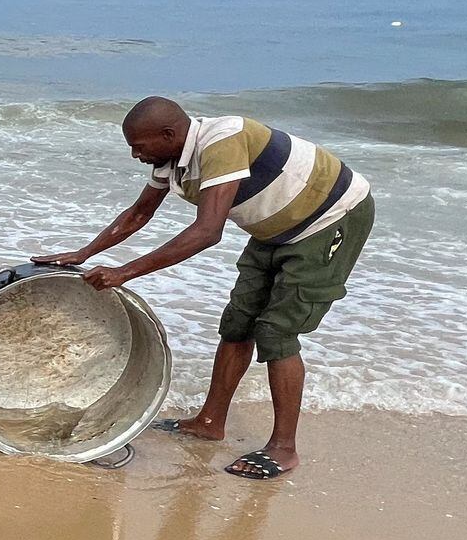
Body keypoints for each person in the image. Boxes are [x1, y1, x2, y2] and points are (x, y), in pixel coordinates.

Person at [35, 96, 374, 480]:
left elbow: (207, 231)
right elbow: (139, 213)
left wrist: (124, 273)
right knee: (238, 324)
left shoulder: (221, 141)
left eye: (139, 146)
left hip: (329, 220)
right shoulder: (169, 160)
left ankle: (284, 448)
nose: (134, 155)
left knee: (277, 331)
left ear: (169, 134)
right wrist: (83, 253)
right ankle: (210, 421)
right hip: (272, 230)